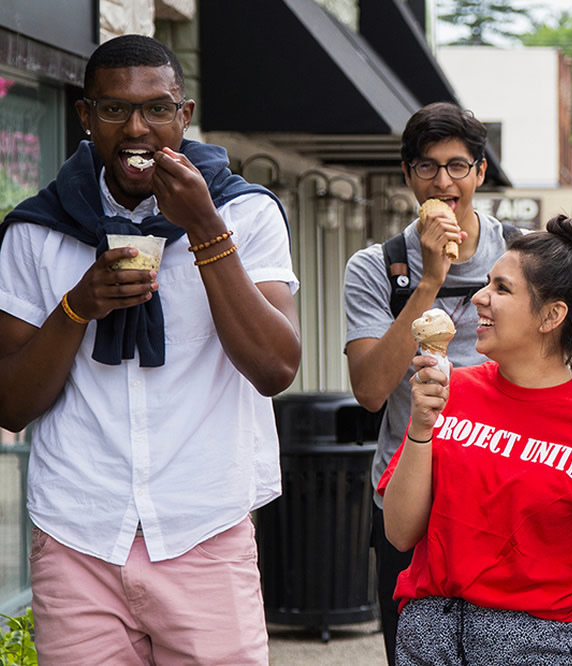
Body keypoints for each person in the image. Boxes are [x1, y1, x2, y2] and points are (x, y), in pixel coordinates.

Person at [0, 35, 300, 664]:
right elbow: (11, 403)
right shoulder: (38, 228)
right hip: (77, 531)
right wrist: (77, 307)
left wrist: (206, 229)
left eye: (157, 109)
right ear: (85, 117)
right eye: (114, 110)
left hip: (204, 526)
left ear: (183, 116)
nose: (138, 129)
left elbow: (276, 368)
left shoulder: (243, 213)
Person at [380, 215, 572, 665]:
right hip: (429, 636)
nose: (480, 298)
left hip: (534, 645)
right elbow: (400, 533)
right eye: (487, 284)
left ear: (551, 316)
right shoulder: (451, 391)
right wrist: (421, 430)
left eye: (502, 289)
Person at [343, 101, 510, 664]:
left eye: (458, 166)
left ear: (480, 172)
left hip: (503, 493)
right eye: (428, 167)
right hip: (410, 501)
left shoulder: (523, 256)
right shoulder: (374, 266)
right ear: (408, 174)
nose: (444, 182)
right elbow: (368, 389)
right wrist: (429, 282)